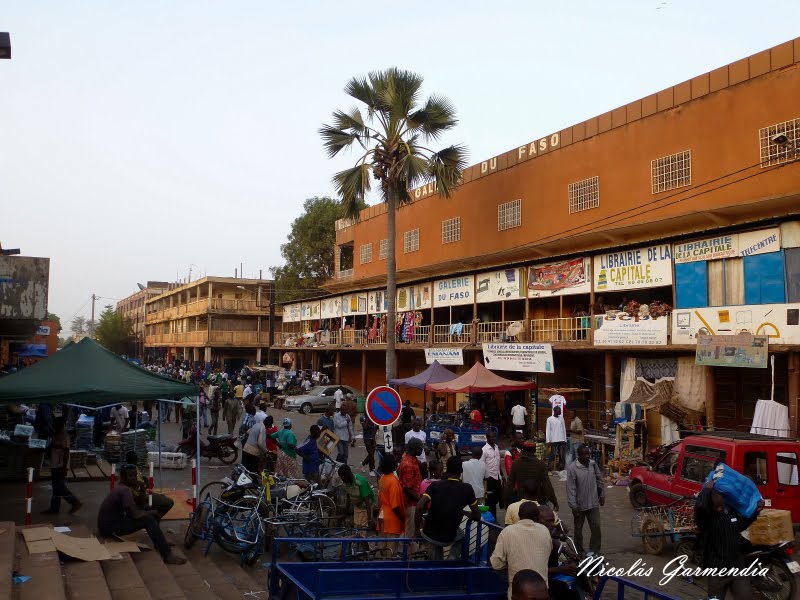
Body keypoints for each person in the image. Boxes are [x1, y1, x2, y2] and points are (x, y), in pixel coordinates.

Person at [97, 464, 186, 564]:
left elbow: (140, 505)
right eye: (130, 476)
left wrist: (143, 487)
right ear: (122, 477)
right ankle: (167, 554)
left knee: (148, 510)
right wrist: (152, 512)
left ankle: (160, 543)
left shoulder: (123, 488)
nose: (134, 478)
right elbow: (135, 515)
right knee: (149, 519)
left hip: (111, 524)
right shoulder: (124, 490)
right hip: (110, 529)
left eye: (135, 475)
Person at [694, 481, 762, 599]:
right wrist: (706, 490)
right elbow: (700, 507)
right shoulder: (706, 521)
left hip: (737, 567)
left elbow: (742, 524)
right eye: (716, 507)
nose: (720, 509)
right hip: (717, 570)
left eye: (721, 506)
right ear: (710, 507)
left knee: (746, 597)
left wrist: (755, 512)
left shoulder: (731, 515)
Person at [415, 456, 481, 559]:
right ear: (461, 471)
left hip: (430, 533)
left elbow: (419, 507)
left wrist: (416, 530)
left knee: (436, 560)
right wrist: (463, 512)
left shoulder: (435, 485)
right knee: (461, 536)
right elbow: (477, 516)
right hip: (449, 535)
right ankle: (452, 558)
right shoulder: (467, 488)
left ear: (446, 470)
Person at [490, 502, 552, 599]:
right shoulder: (544, 530)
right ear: (537, 517)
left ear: (519, 515)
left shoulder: (507, 532)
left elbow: (496, 564)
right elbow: (548, 552)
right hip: (541, 592)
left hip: (520, 593)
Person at [566, 444, 604, 556]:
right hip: (579, 505)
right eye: (584, 454)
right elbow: (571, 487)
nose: (587, 456)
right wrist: (573, 505)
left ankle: (595, 550)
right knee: (578, 530)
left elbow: (599, 481)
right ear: (579, 455)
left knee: (596, 527)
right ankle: (578, 551)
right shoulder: (573, 468)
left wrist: (602, 496)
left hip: (593, 503)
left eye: (588, 454)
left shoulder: (593, 464)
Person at [42, 417, 82, 515]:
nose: (54, 426)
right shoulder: (56, 435)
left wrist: (64, 467)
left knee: (59, 487)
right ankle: (54, 508)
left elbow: (66, 452)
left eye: (56, 425)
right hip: (54, 465)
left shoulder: (64, 437)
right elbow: (50, 448)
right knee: (56, 488)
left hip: (60, 465)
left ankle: (75, 502)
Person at [506, 441, 559, 511]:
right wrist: (554, 502)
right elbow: (547, 485)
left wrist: (507, 503)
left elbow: (509, 485)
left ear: (523, 450)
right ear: (534, 450)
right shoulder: (541, 464)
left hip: (521, 501)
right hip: (538, 501)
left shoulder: (516, 464)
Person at [122, 451, 174, 518]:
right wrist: (145, 484)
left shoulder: (129, 469)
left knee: (162, 497)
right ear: (136, 460)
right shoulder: (133, 471)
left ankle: (153, 516)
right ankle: (155, 518)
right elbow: (139, 486)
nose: (133, 476)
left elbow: (141, 481)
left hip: (143, 493)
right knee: (169, 502)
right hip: (143, 496)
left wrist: (144, 480)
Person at [377, 454, 405, 554]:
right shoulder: (393, 482)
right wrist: (403, 519)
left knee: (383, 548)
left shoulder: (382, 478)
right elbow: (395, 506)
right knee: (391, 551)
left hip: (382, 515)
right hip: (392, 520)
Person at [397, 439, 423, 539]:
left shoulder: (410, 460)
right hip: (410, 503)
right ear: (415, 449)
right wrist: (420, 501)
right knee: (409, 532)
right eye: (421, 448)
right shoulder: (409, 465)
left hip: (413, 502)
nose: (422, 450)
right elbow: (407, 489)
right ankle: (405, 552)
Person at [338, 464, 376, 530]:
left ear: (348, 474)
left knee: (363, 528)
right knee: (357, 526)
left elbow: (367, 502)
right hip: (357, 505)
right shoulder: (346, 483)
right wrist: (346, 512)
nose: (342, 479)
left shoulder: (360, 482)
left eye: (343, 477)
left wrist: (369, 519)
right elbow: (348, 497)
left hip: (366, 506)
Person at [481, 430, 505, 517]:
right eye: (492, 437)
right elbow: (482, 465)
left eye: (495, 436)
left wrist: (502, 475)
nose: (494, 438)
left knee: (497, 497)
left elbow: (498, 463)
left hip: (497, 477)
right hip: (489, 478)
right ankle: (491, 520)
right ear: (487, 438)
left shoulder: (496, 447)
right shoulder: (484, 450)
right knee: (490, 500)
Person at [546, 405, 567, 472]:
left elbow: (564, 429)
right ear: (555, 411)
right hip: (553, 440)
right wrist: (548, 440)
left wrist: (565, 439)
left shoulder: (561, 418)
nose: (560, 411)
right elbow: (548, 430)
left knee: (561, 455)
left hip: (561, 439)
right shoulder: (549, 419)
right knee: (552, 455)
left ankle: (561, 468)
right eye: (559, 410)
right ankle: (550, 468)